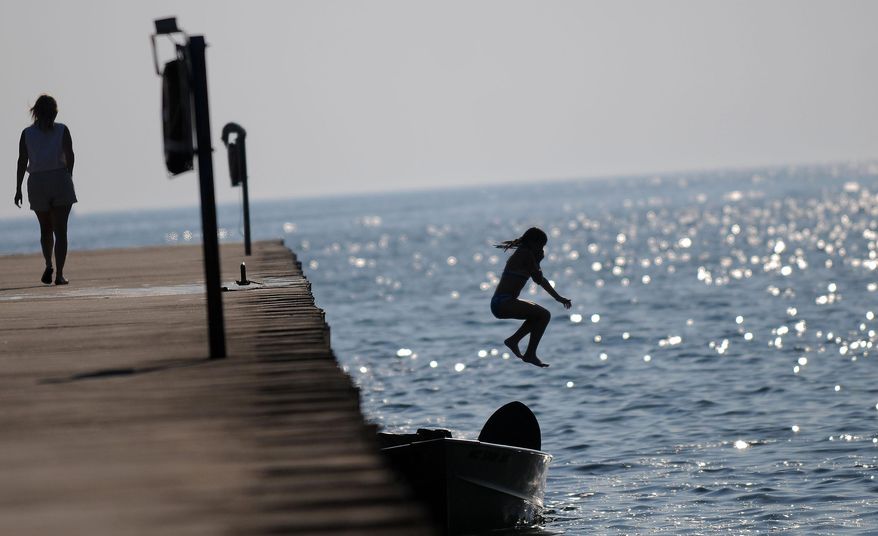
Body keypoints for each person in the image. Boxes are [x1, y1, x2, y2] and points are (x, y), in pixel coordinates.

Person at [14, 95, 77, 285]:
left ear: (35, 112)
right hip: (59, 177)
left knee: (45, 229)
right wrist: (69, 175)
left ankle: (48, 263)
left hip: (37, 181)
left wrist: (18, 189)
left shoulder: (27, 134)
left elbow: (22, 161)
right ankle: (59, 275)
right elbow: (70, 155)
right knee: (61, 231)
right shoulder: (62, 130)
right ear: (55, 113)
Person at [491, 227, 572, 367]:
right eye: (540, 246)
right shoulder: (525, 254)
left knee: (539, 315)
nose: (541, 249)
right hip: (503, 302)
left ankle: (515, 341)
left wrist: (558, 298)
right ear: (532, 243)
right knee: (544, 315)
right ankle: (528, 352)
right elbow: (538, 279)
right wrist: (538, 262)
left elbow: (541, 279)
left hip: (501, 302)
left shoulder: (524, 254)